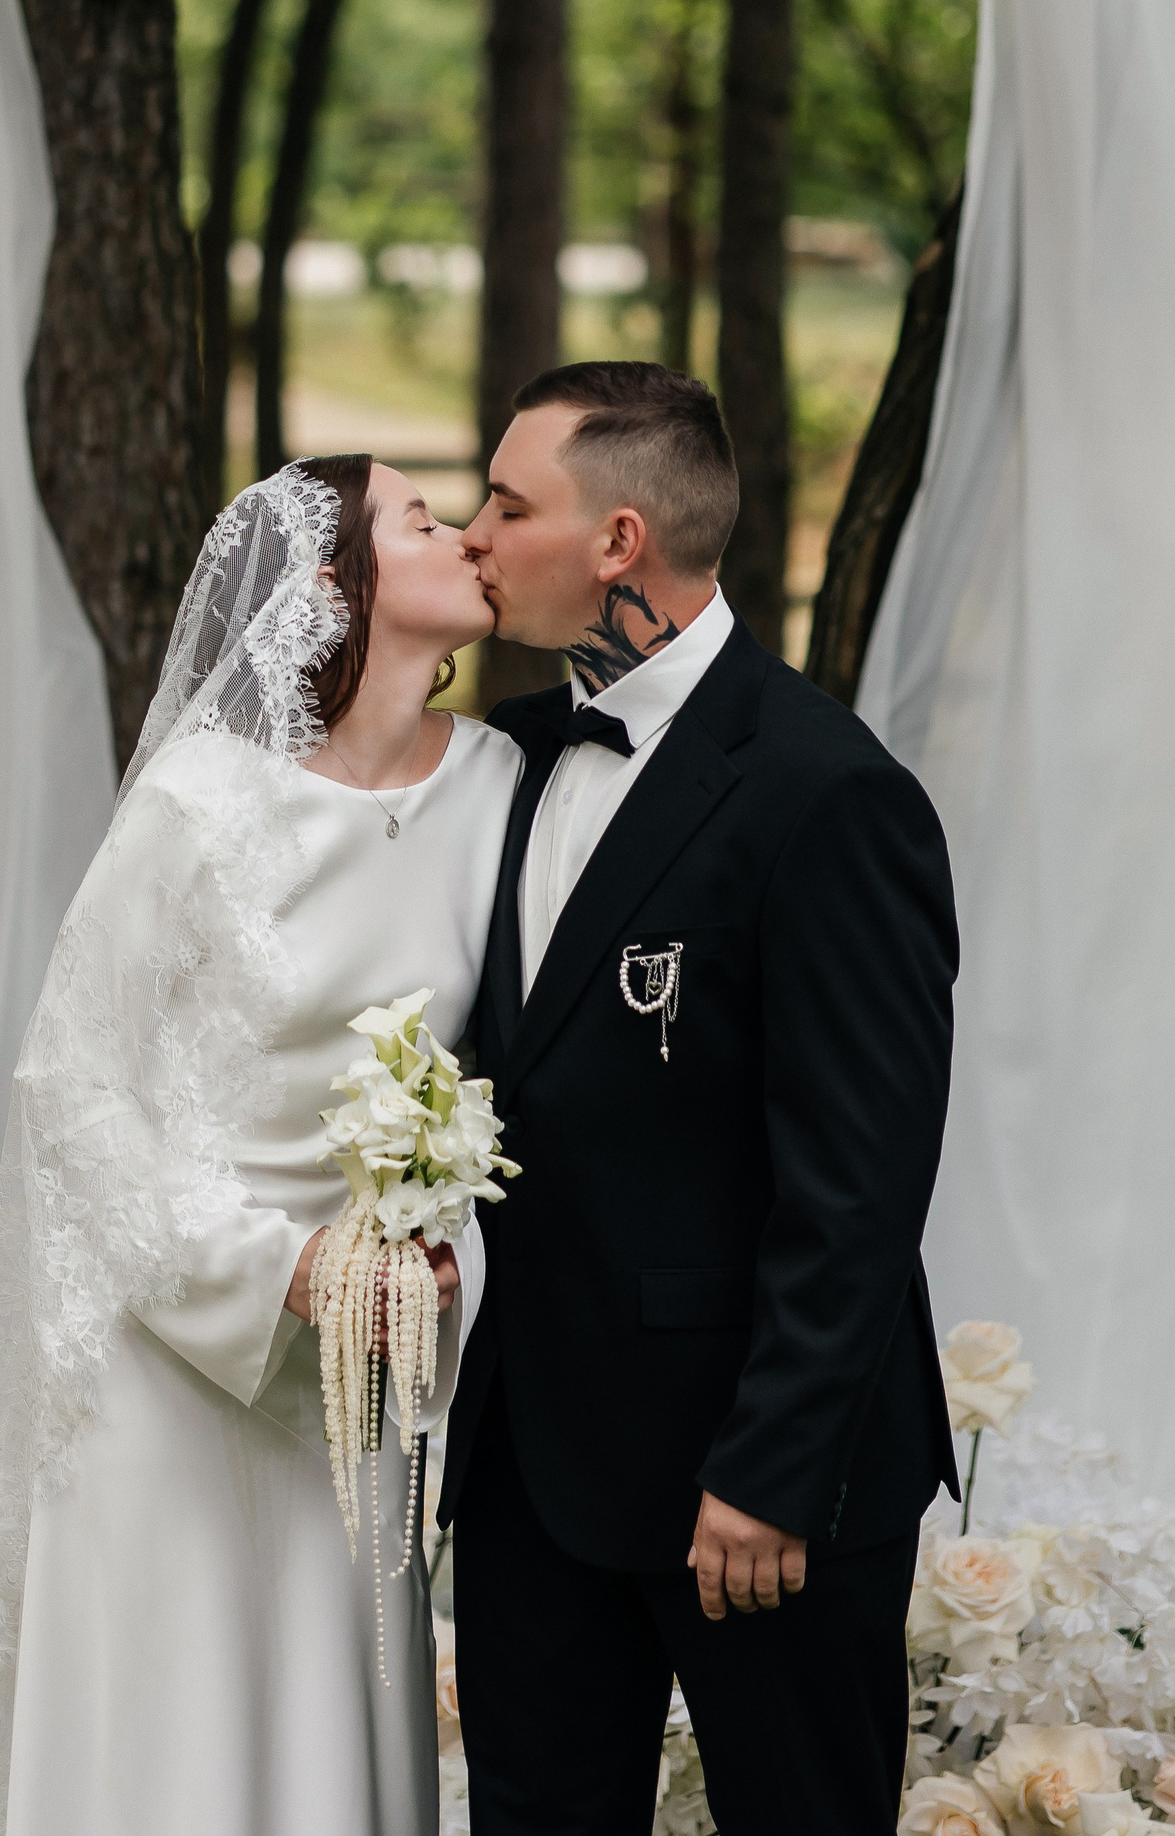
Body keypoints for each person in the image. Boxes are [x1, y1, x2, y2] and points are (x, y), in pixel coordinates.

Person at [0, 456, 521, 1836]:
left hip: (358, 1368)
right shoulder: (204, 799)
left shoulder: (500, 785)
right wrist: (278, 1271)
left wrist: (437, 1255)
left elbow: (506, 1072)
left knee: (328, 1720)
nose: (466, 538)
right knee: (175, 1738)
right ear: (336, 586)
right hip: (177, 1356)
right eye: (422, 520)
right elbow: (68, 1088)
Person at [443, 361, 959, 1836]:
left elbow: (860, 1179)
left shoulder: (826, 792)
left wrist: (772, 1469)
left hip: (755, 1482)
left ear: (619, 541)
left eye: (507, 505)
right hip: (536, 1465)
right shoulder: (509, 758)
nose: (475, 535)